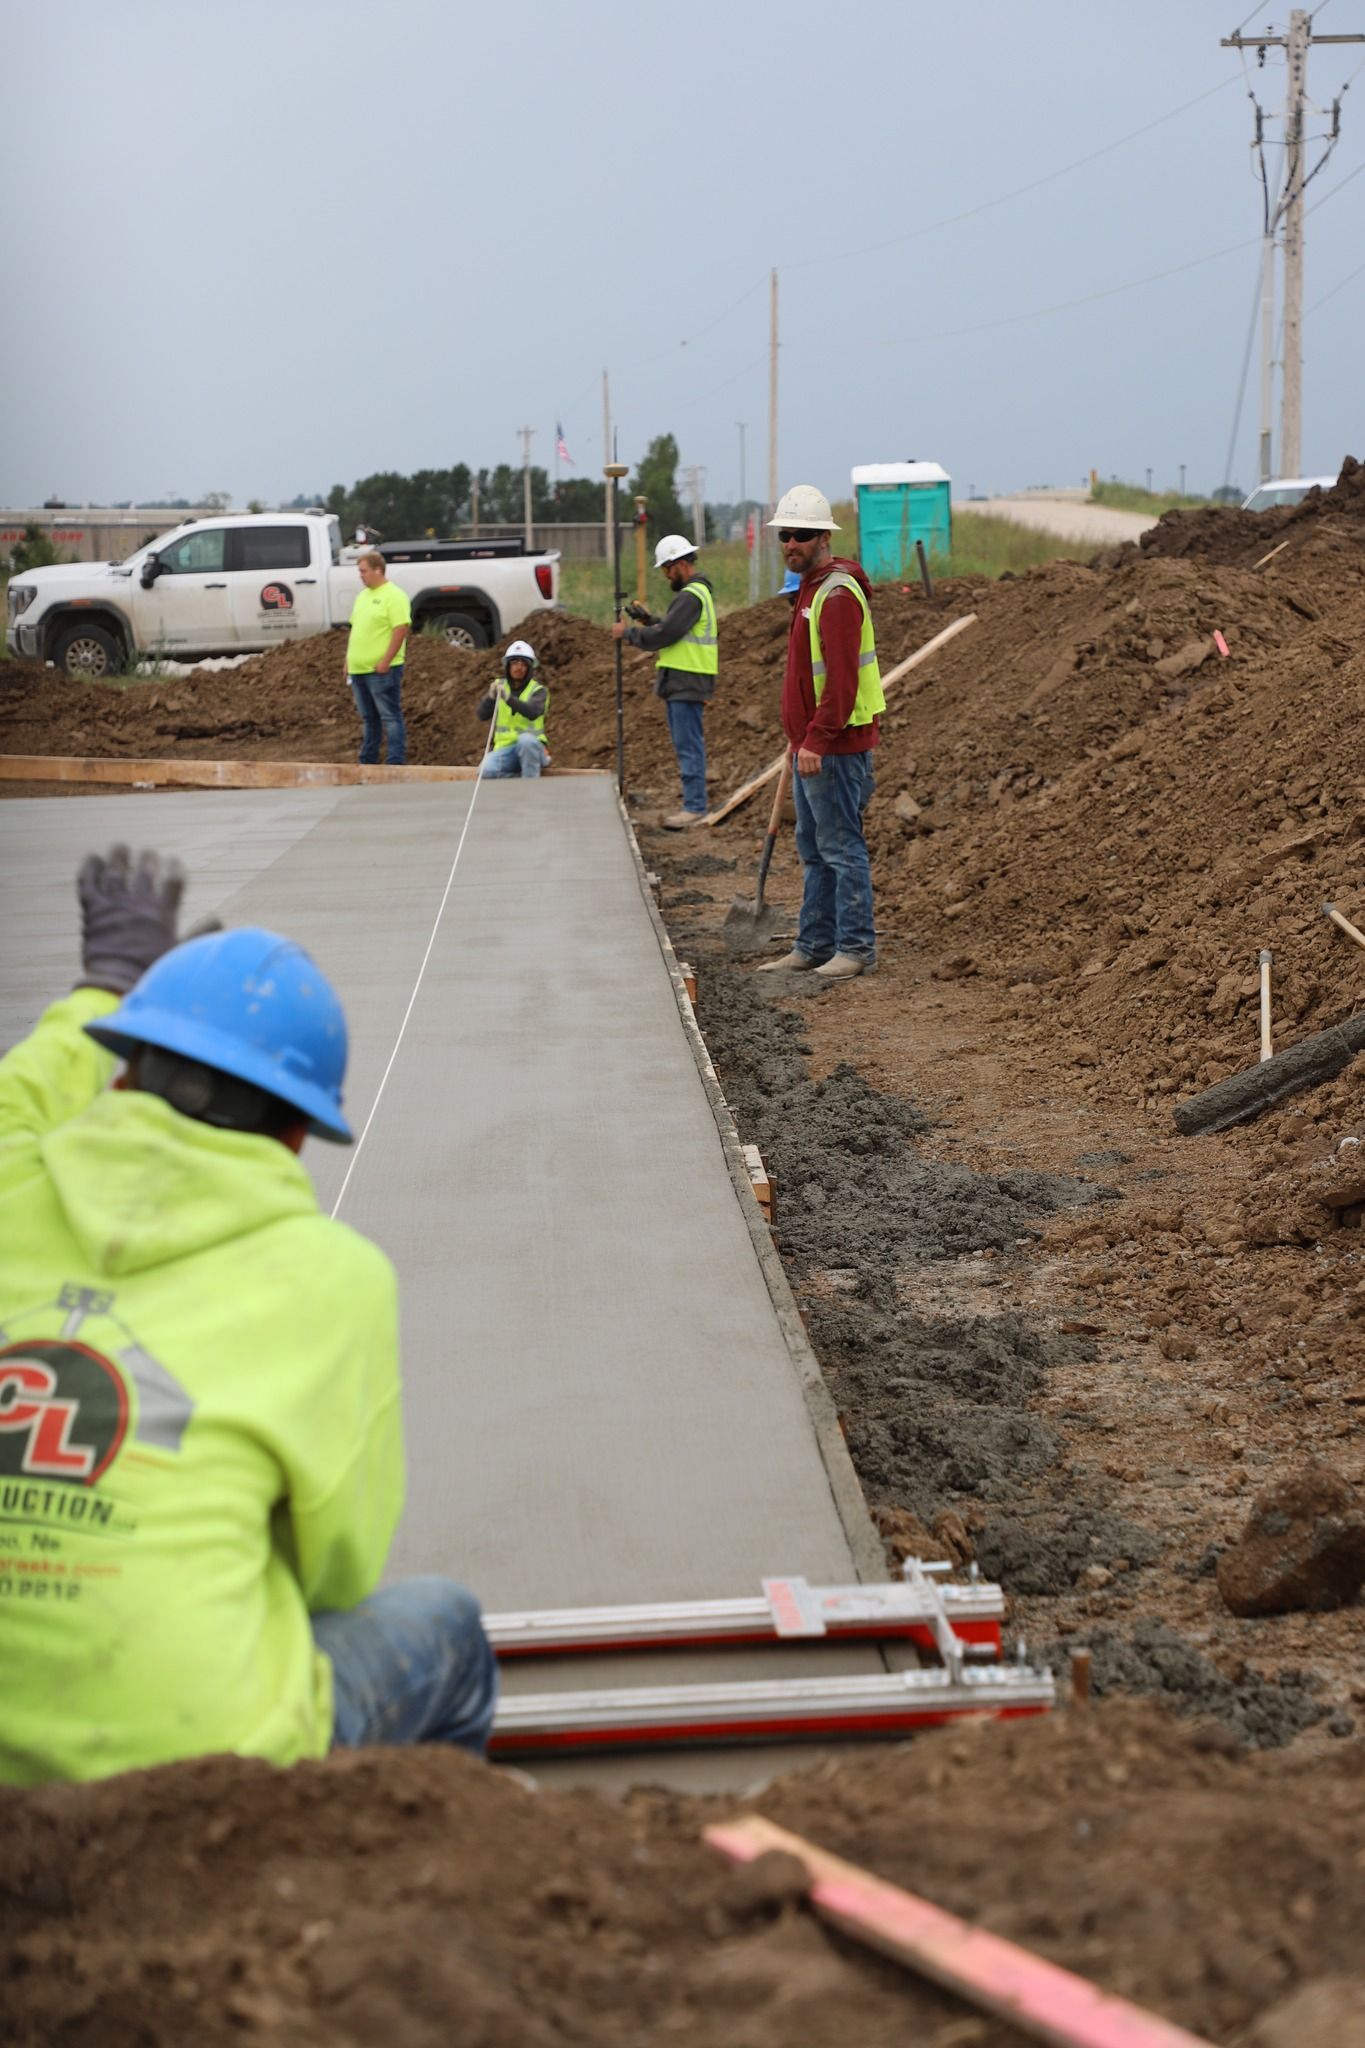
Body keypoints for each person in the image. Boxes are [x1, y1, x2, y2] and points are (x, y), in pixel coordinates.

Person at [0, 846, 497, 1786]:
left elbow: (18, 1099)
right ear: (299, 1132)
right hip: (194, 1775)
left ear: (119, 1072)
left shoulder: (9, 1182)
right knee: (445, 1629)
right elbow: (336, 1577)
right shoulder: (332, 1278)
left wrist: (100, 988)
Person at [757, 484, 884, 981]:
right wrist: (799, 736)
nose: (791, 543)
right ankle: (813, 945)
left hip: (833, 749)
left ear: (823, 539)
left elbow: (843, 681)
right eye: (786, 535)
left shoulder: (835, 596)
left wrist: (816, 740)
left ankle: (854, 949)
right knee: (814, 849)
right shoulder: (810, 589)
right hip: (810, 746)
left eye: (802, 535)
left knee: (841, 848)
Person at [611, 533, 717, 828]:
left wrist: (630, 634)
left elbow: (665, 635)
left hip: (687, 681)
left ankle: (695, 807)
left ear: (680, 564)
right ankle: (693, 803)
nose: (666, 576)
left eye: (667, 569)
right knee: (687, 744)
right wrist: (648, 620)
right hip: (684, 680)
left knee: (688, 745)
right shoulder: (694, 596)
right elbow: (672, 628)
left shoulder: (690, 596)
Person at [346, 549, 411, 766]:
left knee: (390, 717)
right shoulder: (362, 597)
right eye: (359, 571)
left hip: (381, 670)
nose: (360, 575)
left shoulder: (394, 596)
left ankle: (395, 762)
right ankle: (368, 761)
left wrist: (385, 660)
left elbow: (400, 629)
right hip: (359, 669)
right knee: (369, 718)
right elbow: (356, 630)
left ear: (378, 570)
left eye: (363, 571)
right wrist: (347, 660)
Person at [476, 640, 550, 778]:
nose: (519, 667)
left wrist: (509, 699)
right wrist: (490, 698)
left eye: (523, 664)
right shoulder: (500, 686)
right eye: (515, 663)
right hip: (505, 750)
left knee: (526, 741)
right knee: (484, 772)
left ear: (529, 668)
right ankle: (519, 780)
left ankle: (530, 784)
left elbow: (532, 712)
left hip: (532, 749)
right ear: (508, 666)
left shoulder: (539, 691)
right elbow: (481, 715)